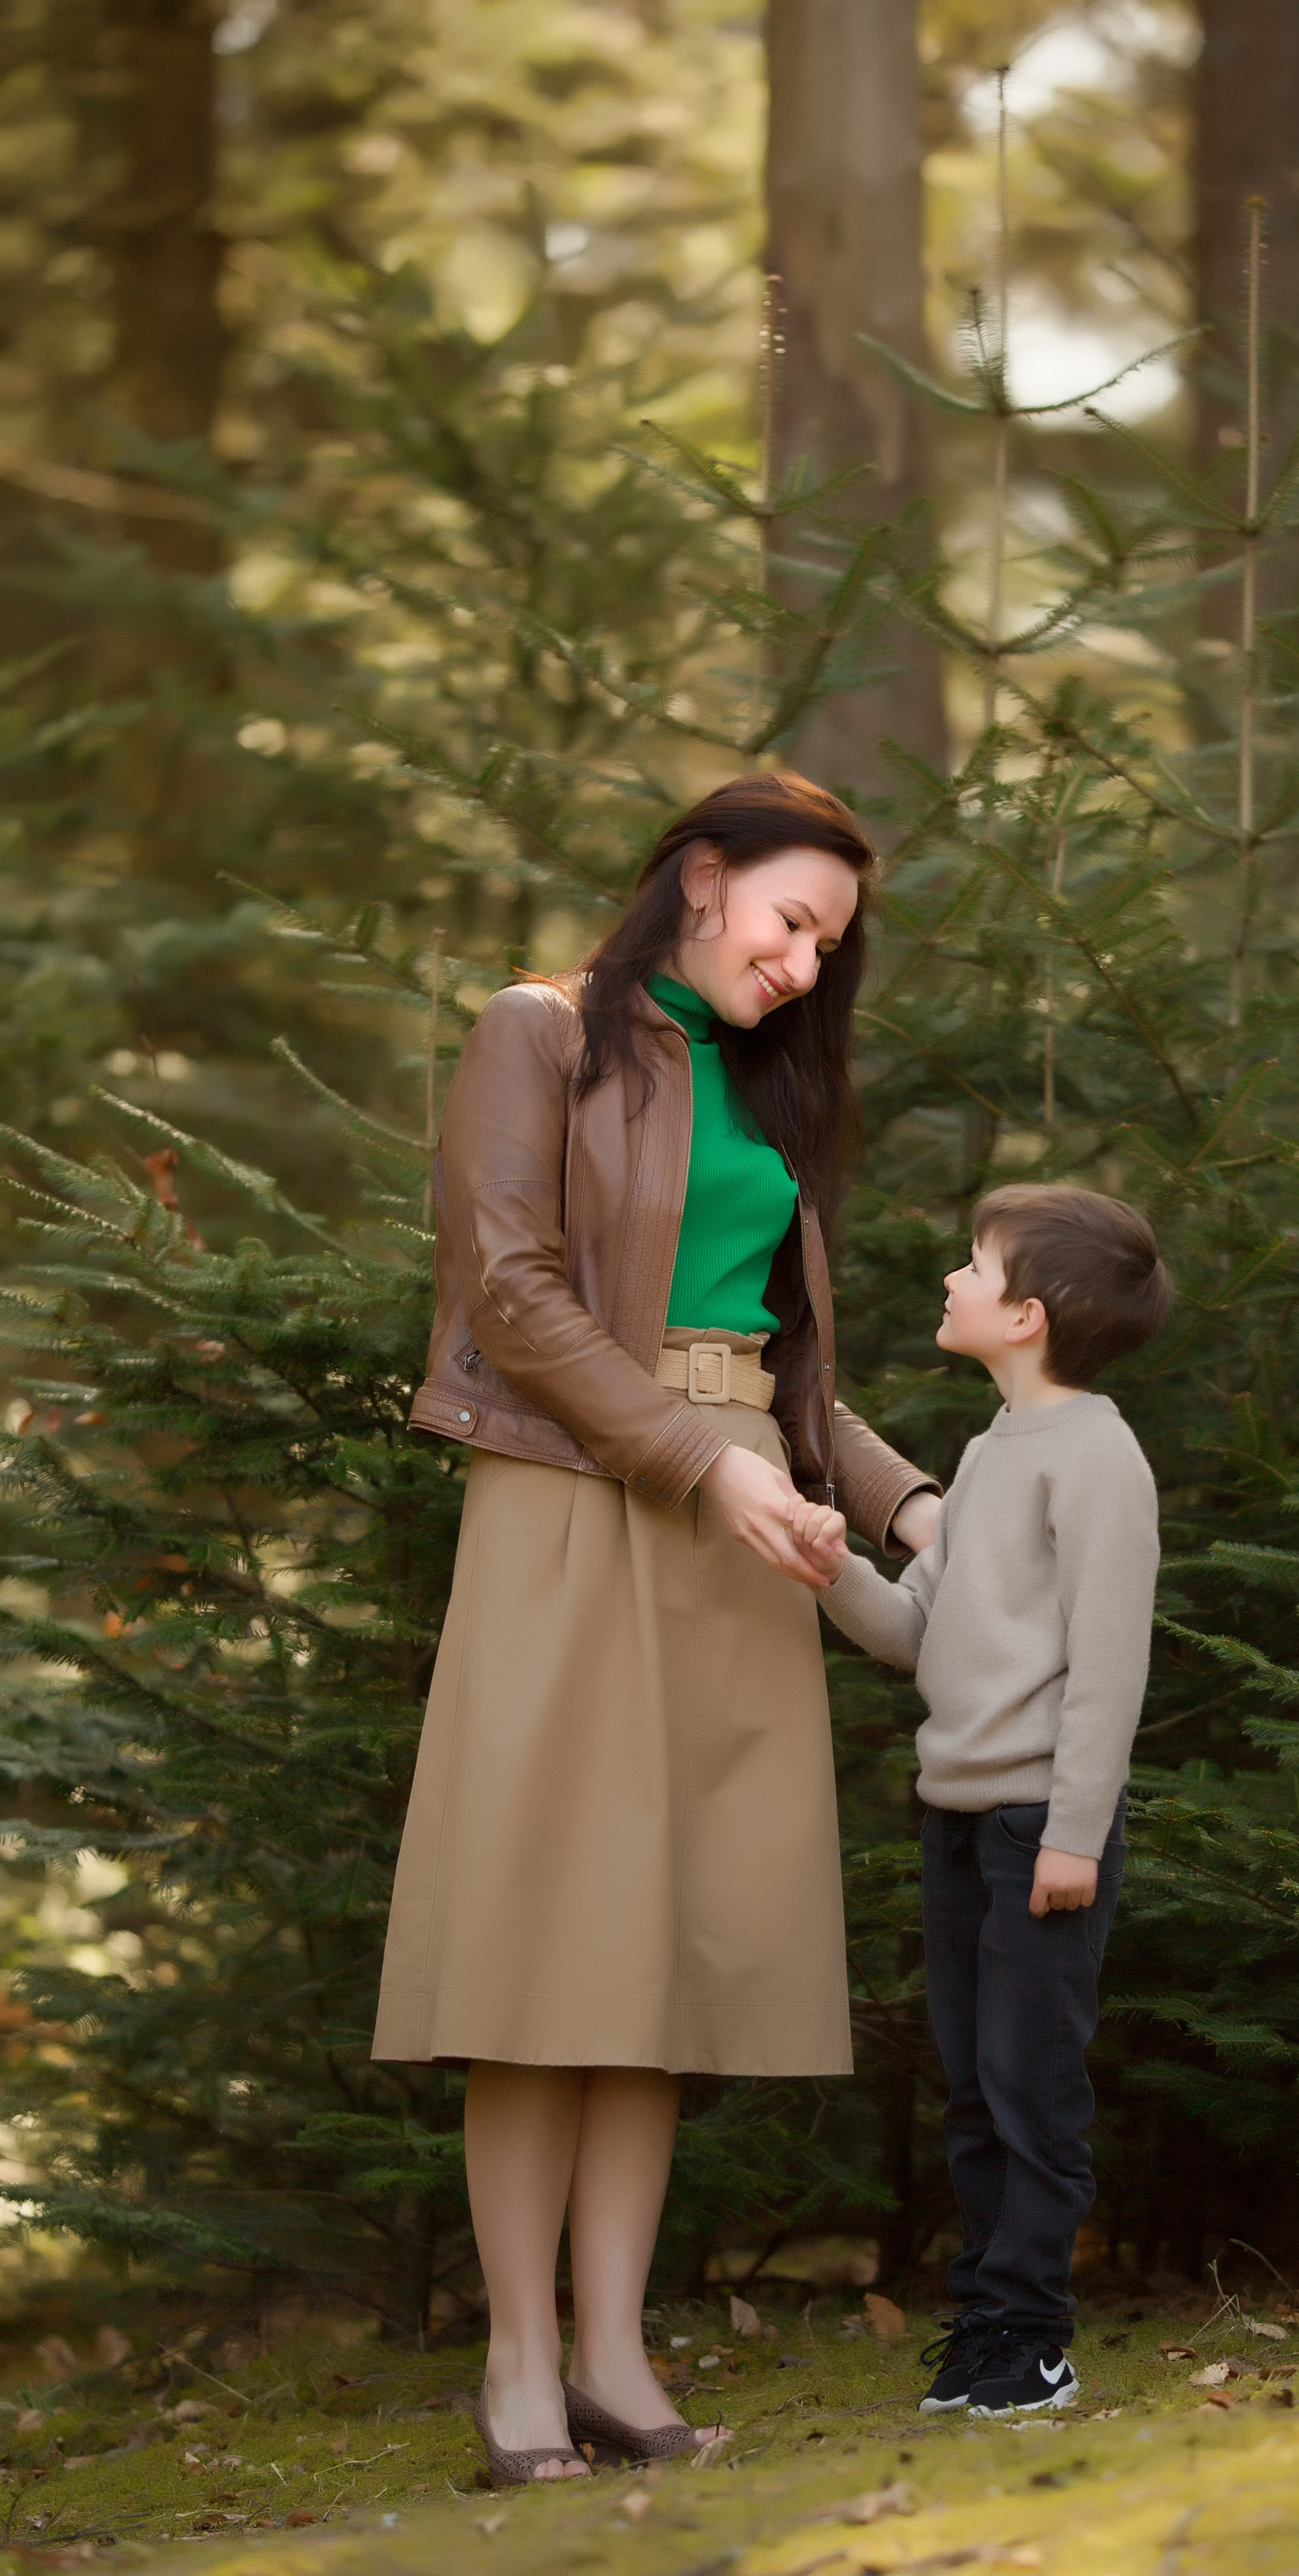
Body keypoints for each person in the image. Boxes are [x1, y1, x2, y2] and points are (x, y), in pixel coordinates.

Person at [373, 774, 940, 2484]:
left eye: (828, 946)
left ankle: (618, 2363)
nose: (803, 964)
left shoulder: (763, 1091)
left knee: (664, 1960)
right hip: (573, 1497)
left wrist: (912, 1503)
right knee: (545, 1950)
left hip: (739, 1518)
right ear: (698, 880)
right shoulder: (536, 1034)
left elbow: (774, 1358)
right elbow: (514, 1294)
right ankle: (520, 2368)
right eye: (788, 920)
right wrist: (703, 1464)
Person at [798, 1183, 1170, 2419]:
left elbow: (1110, 1666)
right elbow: (919, 1634)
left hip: (1038, 1835)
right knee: (974, 2087)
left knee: (1032, 2085)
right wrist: (831, 1569)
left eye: (973, 1265)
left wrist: (1072, 1835)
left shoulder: (1098, 1457)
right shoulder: (988, 1453)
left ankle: (1033, 2337)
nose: (950, 1281)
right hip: (957, 1823)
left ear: (1028, 1313)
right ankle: (984, 2331)